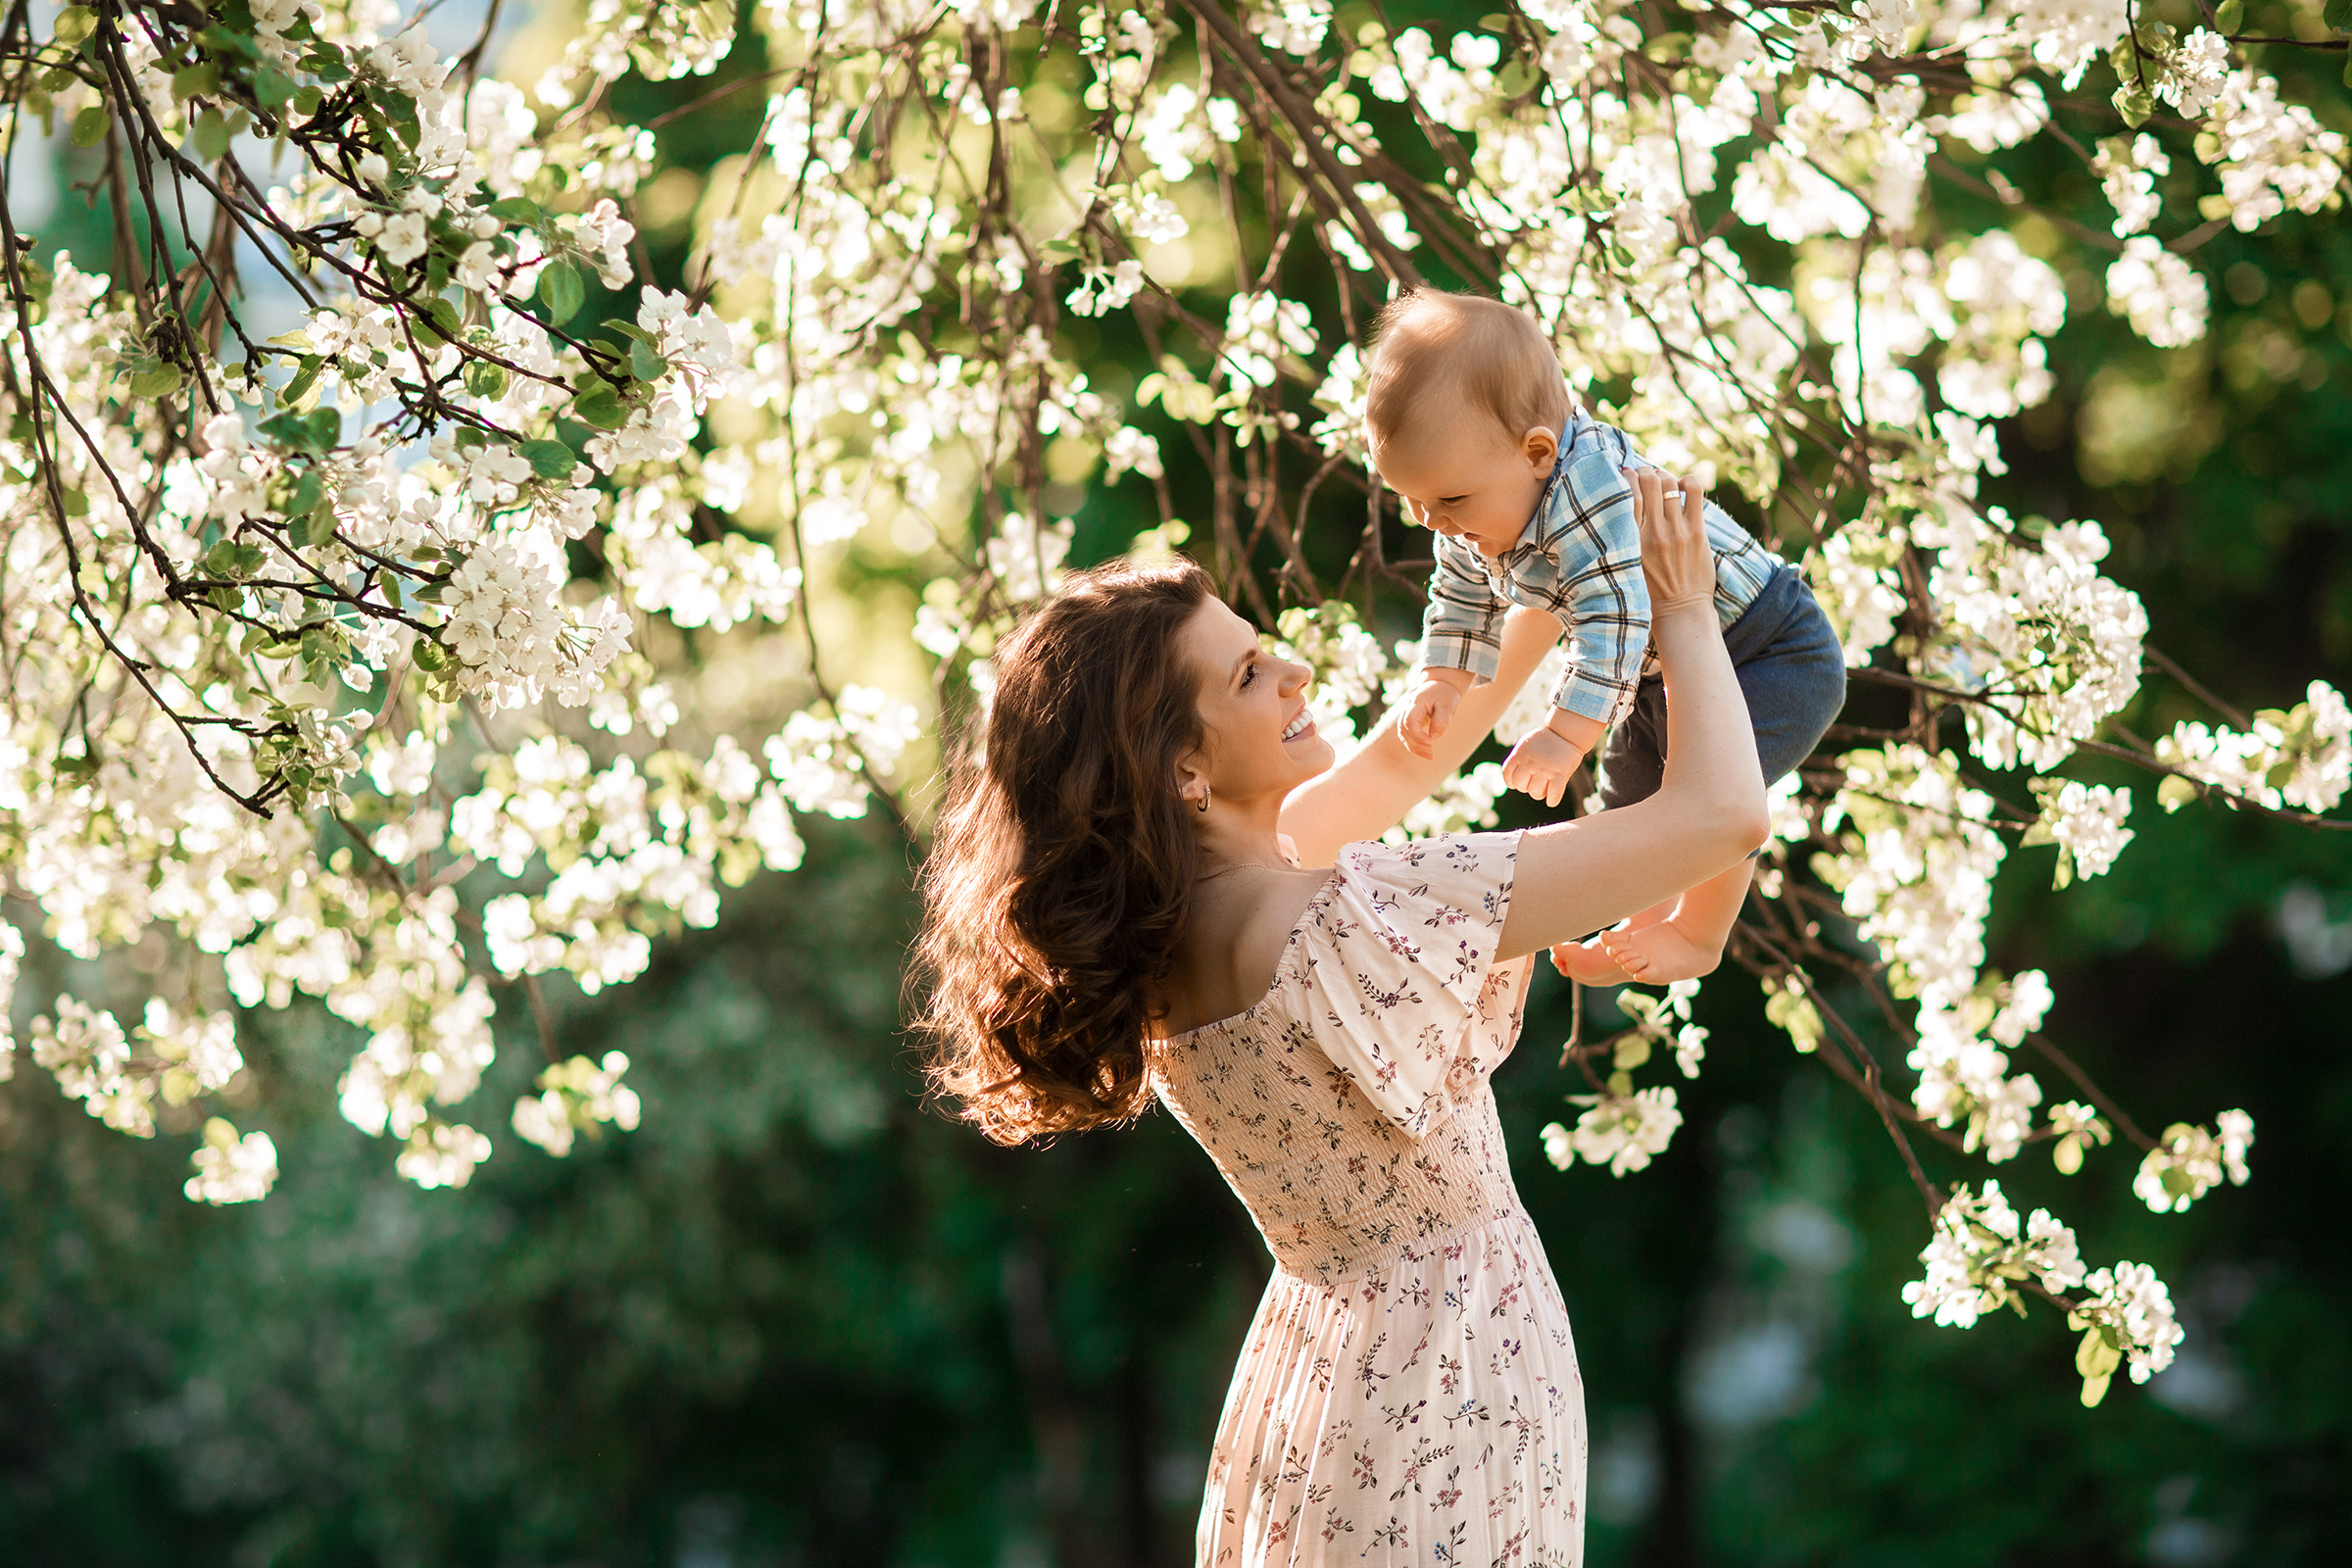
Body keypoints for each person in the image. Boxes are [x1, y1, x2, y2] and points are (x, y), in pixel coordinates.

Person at [915, 470, 1763, 1563]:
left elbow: (1414, 751)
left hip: (1328, 1378)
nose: (1296, 671)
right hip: (1455, 1380)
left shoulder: (1171, 943)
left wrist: (1545, 580)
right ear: (1180, 768)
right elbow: (1724, 813)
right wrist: (1683, 609)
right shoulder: (1361, 912)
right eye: (1250, 675)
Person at [1366, 290, 1845, 985]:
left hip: (1770, 649)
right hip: (1660, 670)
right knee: (1631, 807)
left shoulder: (1589, 495)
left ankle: (1699, 933)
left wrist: (1566, 735)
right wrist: (1442, 678)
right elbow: (1462, 592)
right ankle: (1637, 927)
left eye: (1448, 500)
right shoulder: (1473, 504)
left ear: (1537, 453)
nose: (1430, 520)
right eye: (1411, 500)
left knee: (1712, 784)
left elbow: (1613, 618)